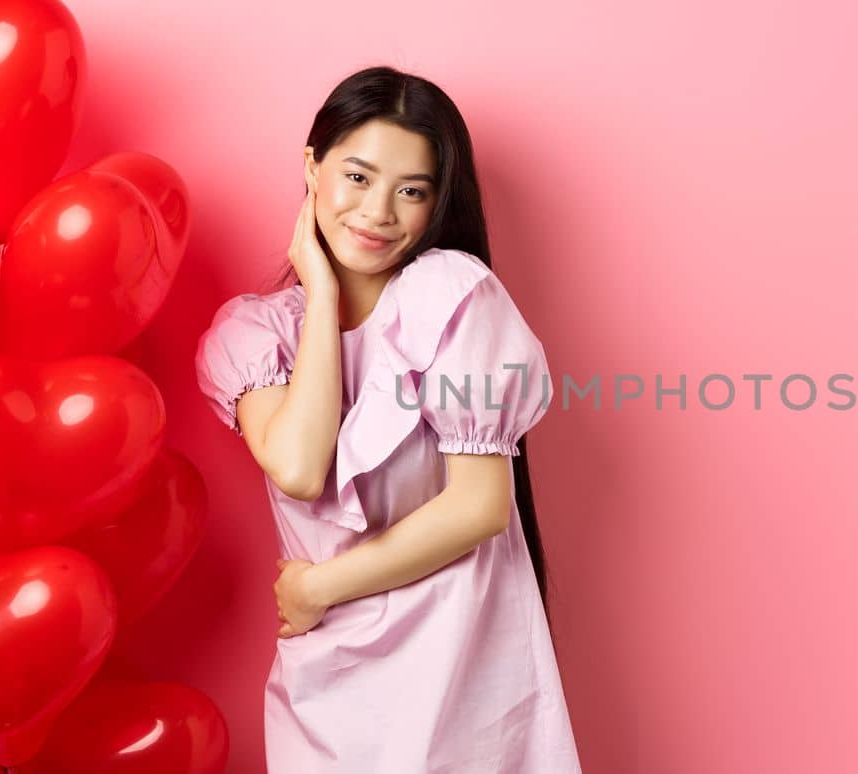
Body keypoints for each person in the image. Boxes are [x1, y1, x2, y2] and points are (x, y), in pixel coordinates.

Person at [193, 65, 581, 772]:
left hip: (455, 665)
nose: (378, 213)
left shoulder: (450, 294)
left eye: (412, 192)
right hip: (329, 686)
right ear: (311, 168)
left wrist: (318, 586)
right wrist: (317, 289)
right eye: (358, 177)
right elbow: (301, 467)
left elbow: (480, 506)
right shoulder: (256, 336)